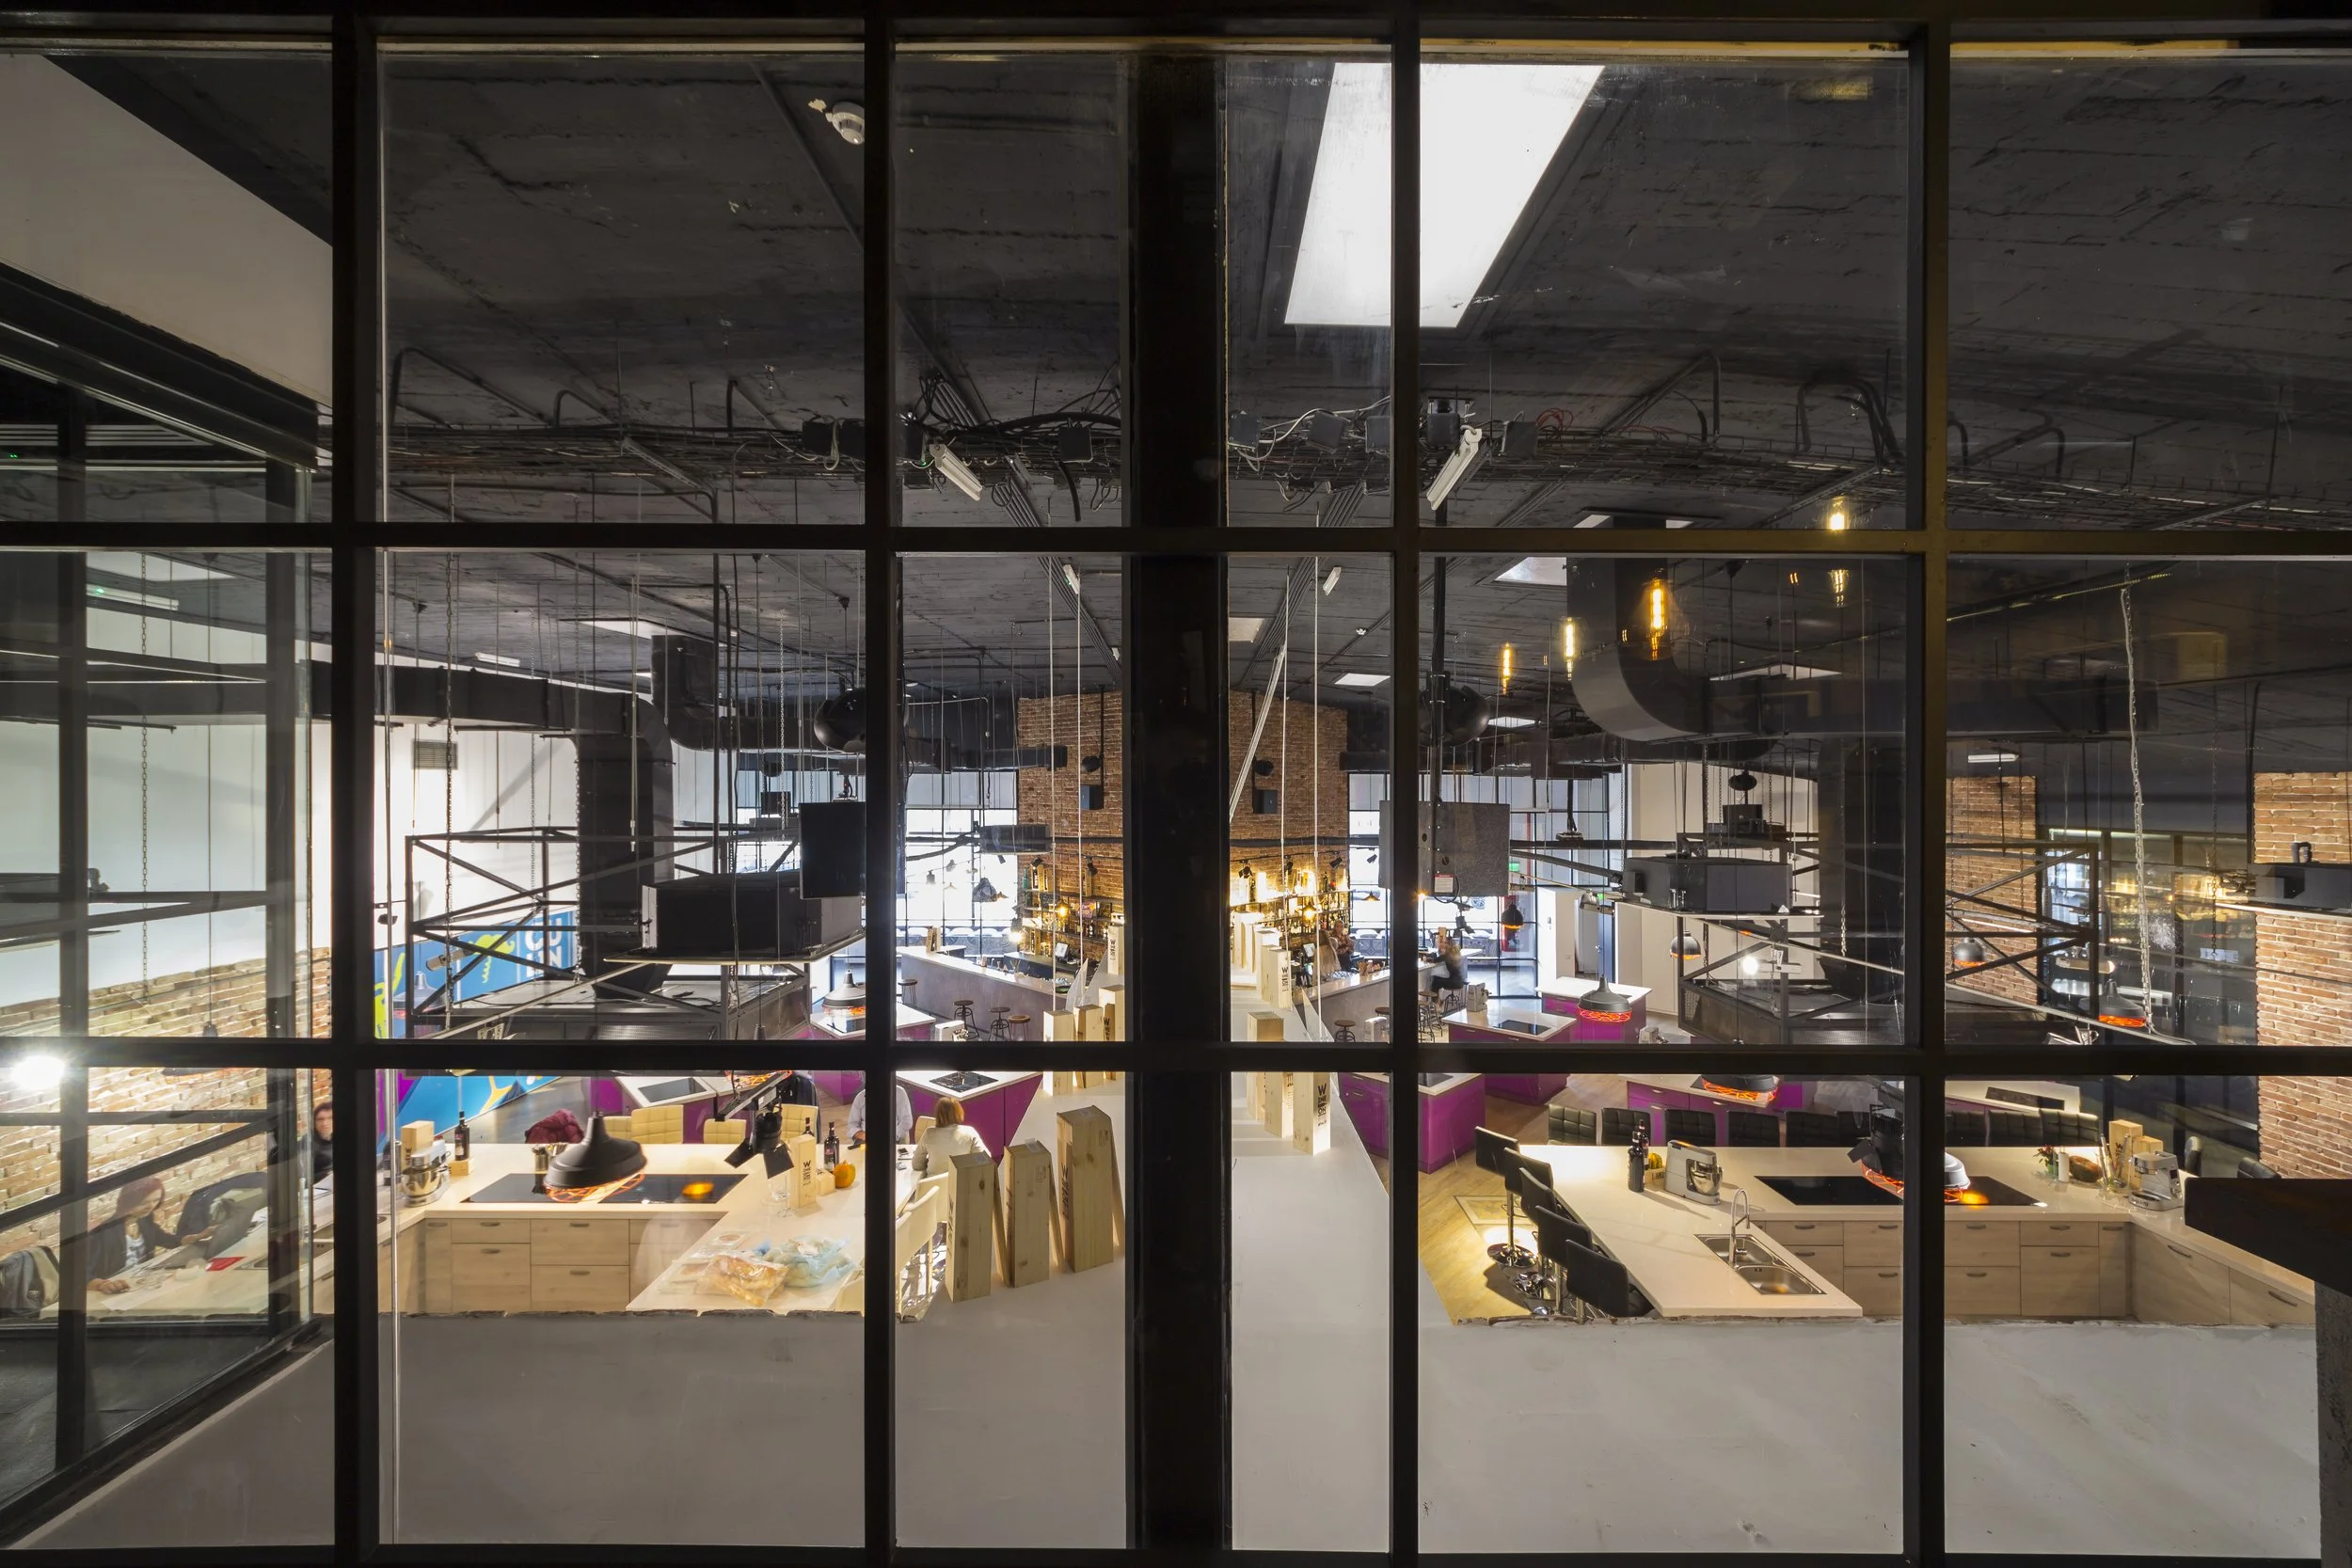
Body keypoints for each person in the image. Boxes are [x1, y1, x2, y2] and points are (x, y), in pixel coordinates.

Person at [85, 1178, 199, 1292]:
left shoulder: (144, 1219)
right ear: (127, 1202)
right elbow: (82, 1275)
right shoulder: (103, 1232)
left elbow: (164, 1239)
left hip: (143, 1283)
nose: (151, 1207)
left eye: (156, 1200)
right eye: (144, 1203)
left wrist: (189, 1239)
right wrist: (103, 1285)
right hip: (118, 1289)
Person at [912, 1096, 988, 1176]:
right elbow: (984, 1159)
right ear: (959, 1112)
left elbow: (916, 1165)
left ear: (937, 1114)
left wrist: (931, 1162)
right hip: (961, 1185)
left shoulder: (929, 1133)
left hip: (933, 1186)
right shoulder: (969, 1132)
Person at [848, 1080, 914, 1148]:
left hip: (891, 1139)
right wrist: (861, 1134)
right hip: (866, 1140)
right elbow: (852, 1124)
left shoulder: (900, 1093)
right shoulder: (860, 1097)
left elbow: (907, 1121)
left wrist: (891, 1135)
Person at [310, 1099, 335, 1183]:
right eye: (320, 1119)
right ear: (314, 1123)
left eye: (330, 1118)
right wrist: (327, 1175)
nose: (325, 1123)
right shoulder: (308, 1144)